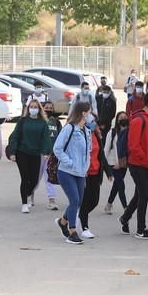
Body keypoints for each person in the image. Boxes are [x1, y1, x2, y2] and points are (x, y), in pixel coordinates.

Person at [119, 91, 148, 239]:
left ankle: (125, 218)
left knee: (139, 194)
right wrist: (144, 157)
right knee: (144, 194)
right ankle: (141, 229)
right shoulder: (139, 120)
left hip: (146, 164)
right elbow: (133, 145)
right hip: (138, 164)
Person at [53, 102, 93, 245]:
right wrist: (69, 162)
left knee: (78, 202)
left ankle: (63, 222)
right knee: (75, 200)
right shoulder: (69, 128)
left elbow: (88, 152)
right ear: (83, 113)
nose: (90, 115)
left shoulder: (87, 131)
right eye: (89, 112)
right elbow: (57, 148)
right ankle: (72, 232)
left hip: (80, 172)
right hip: (66, 171)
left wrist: (85, 167)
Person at [8, 99, 52, 213]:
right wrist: (12, 152)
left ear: (39, 109)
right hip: (22, 152)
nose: (33, 109)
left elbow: (46, 139)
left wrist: (46, 152)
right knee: (25, 178)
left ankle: (28, 193)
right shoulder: (23, 121)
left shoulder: (43, 123)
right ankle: (24, 204)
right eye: (31, 107)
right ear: (28, 109)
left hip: (35, 154)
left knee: (33, 180)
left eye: (35, 107)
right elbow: (15, 136)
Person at [78, 121, 113, 237]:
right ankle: (84, 227)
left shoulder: (96, 135)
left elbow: (101, 154)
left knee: (94, 201)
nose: (94, 124)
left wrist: (108, 171)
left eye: (94, 122)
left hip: (96, 173)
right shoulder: (80, 135)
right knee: (85, 201)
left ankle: (73, 217)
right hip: (84, 174)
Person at [35, 100, 62, 211]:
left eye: (51, 108)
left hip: (51, 154)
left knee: (49, 177)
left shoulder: (56, 122)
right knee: (36, 177)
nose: (49, 109)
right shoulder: (39, 120)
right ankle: (29, 195)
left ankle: (52, 200)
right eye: (47, 107)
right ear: (43, 108)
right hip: (39, 153)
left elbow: (61, 137)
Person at [104, 112, 129, 214]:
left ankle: (109, 204)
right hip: (113, 163)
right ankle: (126, 208)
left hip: (124, 163)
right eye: (121, 117)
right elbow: (106, 149)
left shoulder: (129, 131)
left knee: (117, 185)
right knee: (121, 185)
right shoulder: (112, 132)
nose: (123, 119)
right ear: (117, 120)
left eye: (125, 117)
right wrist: (105, 166)